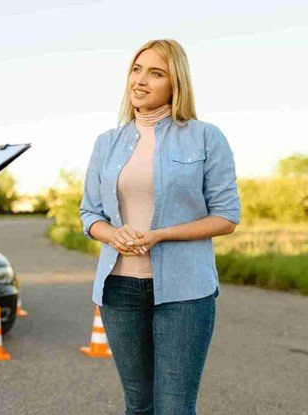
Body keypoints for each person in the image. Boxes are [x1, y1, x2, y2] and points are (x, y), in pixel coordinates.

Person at [80, 39, 240, 414]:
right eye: (136, 70)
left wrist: (161, 234)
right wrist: (112, 234)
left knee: (173, 408)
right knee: (138, 406)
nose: (141, 80)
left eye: (155, 73)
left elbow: (227, 216)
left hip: (185, 293)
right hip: (118, 289)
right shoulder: (107, 143)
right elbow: (90, 214)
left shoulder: (205, 137)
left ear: (175, 83)